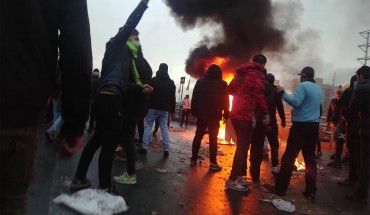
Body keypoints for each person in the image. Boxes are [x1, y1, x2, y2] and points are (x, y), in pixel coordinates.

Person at [0, 0, 92, 213]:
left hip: (19, 102)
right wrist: (75, 125)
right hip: (17, 107)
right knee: (11, 200)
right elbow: (76, 47)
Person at [71, 0, 152, 191]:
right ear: (125, 36)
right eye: (133, 37)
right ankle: (105, 187)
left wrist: (140, 88)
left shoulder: (117, 55)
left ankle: (79, 178)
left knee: (97, 139)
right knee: (109, 143)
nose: (135, 41)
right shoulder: (117, 43)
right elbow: (131, 22)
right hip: (110, 98)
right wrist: (143, 4)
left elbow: (121, 83)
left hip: (104, 97)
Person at [264, 67, 323, 200]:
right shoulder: (318, 90)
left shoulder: (302, 86)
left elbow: (296, 103)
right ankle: (311, 191)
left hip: (300, 127)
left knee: (288, 158)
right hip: (313, 126)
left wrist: (282, 93)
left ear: (303, 76)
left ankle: (280, 188)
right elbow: (315, 108)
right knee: (310, 160)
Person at [225, 54, 270, 192]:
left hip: (235, 114)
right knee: (242, 148)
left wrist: (242, 94)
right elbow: (259, 95)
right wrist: (266, 113)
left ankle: (239, 177)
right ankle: (232, 180)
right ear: (262, 65)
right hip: (246, 115)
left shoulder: (240, 73)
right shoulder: (258, 74)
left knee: (242, 147)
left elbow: (230, 90)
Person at [190, 64, 229, 171]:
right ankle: (213, 162)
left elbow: (195, 97)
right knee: (213, 139)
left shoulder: (200, 82)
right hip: (215, 115)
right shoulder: (223, 84)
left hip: (202, 114)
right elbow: (226, 101)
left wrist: (193, 112)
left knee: (198, 136)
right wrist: (226, 114)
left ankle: (193, 159)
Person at [138, 63, 176, 157]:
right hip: (164, 109)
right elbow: (172, 98)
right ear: (167, 70)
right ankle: (166, 149)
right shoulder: (171, 83)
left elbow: (147, 92)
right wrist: (172, 111)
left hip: (152, 107)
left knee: (148, 126)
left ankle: (144, 147)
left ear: (159, 69)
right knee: (164, 128)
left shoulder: (153, 80)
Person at [345, 66, 370, 205]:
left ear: (361, 76)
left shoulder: (362, 88)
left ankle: (361, 193)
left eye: (358, 76)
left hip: (366, 128)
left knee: (365, 161)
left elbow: (353, 106)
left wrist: (355, 90)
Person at [336, 75, 360, 186]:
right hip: (361, 125)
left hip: (352, 124)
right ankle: (359, 176)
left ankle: (352, 177)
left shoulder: (351, 91)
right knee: (359, 151)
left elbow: (339, 103)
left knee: (352, 150)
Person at [264, 73, 286, 174]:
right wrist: (283, 120)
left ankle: (254, 168)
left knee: (256, 143)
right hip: (271, 122)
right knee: (274, 144)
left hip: (260, 121)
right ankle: (275, 166)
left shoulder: (260, 90)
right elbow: (280, 108)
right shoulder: (276, 92)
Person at [326, 87, 346, 169]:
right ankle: (336, 154)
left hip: (342, 124)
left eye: (341, 93)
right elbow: (329, 111)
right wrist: (328, 121)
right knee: (334, 139)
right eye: (338, 92)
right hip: (334, 123)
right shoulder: (333, 101)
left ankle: (338, 158)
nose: (339, 94)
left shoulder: (345, 101)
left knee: (339, 140)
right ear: (336, 93)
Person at [87, 69, 101, 133]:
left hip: (92, 100)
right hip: (97, 100)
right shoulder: (100, 80)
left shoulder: (91, 80)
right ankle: (94, 128)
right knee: (95, 115)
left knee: (92, 115)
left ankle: (90, 128)